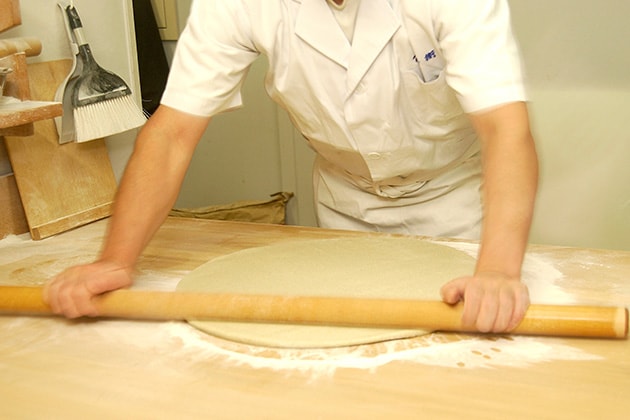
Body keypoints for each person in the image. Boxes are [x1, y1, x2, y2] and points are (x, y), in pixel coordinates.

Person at [45, 0, 538, 333]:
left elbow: (505, 130)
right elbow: (171, 134)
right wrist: (116, 260)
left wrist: (497, 270)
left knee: (464, 344)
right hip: (347, 203)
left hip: (454, 200)